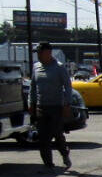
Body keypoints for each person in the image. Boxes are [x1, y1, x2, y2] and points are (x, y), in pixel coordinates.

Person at [30, 42, 72, 170]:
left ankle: (64, 153)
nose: (38, 55)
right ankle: (48, 165)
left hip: (56, 107)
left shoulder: (59, 67)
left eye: (40, 52)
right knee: (43, 138)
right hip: (41, 107)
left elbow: (68, 86)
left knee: (57, 135)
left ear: (48, 53)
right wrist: (31, 103)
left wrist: (67, 104)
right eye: (37, 53)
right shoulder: (36, 67)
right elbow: (33, 87)